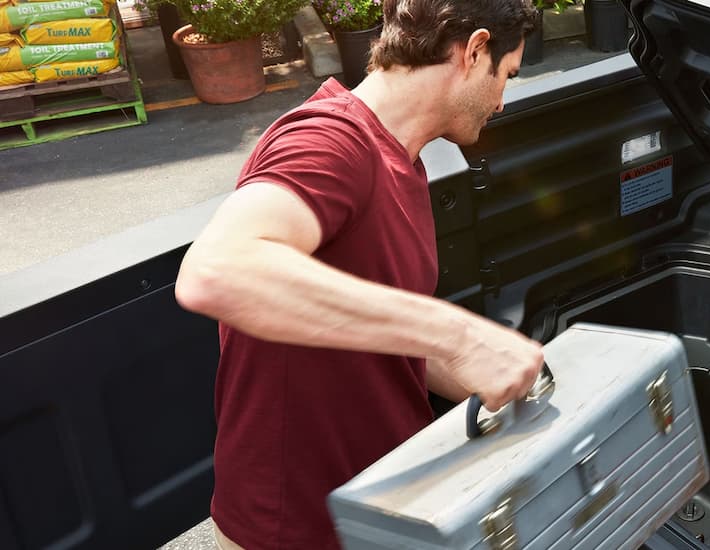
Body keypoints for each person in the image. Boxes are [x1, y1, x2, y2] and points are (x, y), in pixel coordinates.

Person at [172, 1, 544, 548]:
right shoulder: (330, 142)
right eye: (506, 75)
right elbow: (215, 271)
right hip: (298, 528)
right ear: (475, 49)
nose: (502, 101)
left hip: (382, 505)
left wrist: (505, 377)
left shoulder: (404, 157)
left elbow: (386, 337)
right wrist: (460, 334)